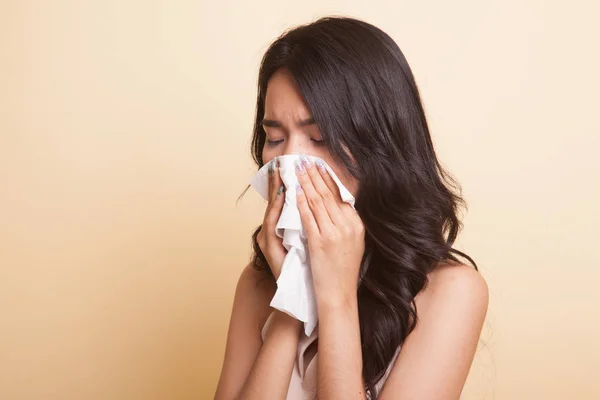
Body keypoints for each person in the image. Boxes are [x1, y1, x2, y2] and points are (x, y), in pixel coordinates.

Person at [214, 16, 488, 400]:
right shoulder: (259, 282)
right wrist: (291, 301)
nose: (292, 160)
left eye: (319, 138)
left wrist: (336, 298)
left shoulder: (451, 292)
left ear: (381, 144)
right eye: (275, 138)